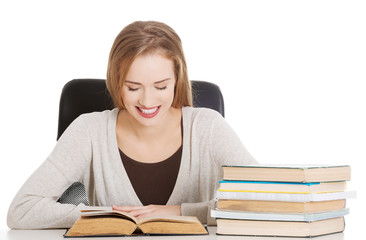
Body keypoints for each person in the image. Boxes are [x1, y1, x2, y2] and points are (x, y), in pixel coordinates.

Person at [7, 21, 257, 229]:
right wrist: (112, 216)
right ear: (116, 82)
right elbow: (21, 210)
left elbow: (267, 199)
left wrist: (181, 211)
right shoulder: (89, 131)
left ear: (178, 79)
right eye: (133, 87)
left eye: (161, 86)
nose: (147, 101)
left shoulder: (208, 128)